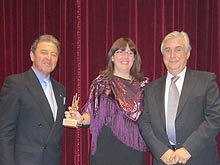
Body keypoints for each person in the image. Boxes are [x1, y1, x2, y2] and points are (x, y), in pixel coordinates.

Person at [138, 31, 220, 165]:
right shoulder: (150, 89)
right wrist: (161, 151)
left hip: (200, 158)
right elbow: (144, 124)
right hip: (164, 160)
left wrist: (188, 149)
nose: (172, 55)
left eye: (178, 50)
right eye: (167, 50)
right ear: (162, 55)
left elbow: (214, 118)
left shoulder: (206, 81)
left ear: (187, 54)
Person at [65, 38, 148, 165]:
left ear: (134, 58)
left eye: (130, 53)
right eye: (120, 52)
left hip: (133, 152)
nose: (125, 56)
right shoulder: (102, 83)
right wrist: (80, 119)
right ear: (112, 57)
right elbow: (92, 113)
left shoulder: (143, 86)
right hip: (105, 150)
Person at [0, 34, 66, 165]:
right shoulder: (15, 84)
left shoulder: (60, 90)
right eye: (44, 52)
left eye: (54, 54)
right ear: (32, 55)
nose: (49, 58)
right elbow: (4, 132)